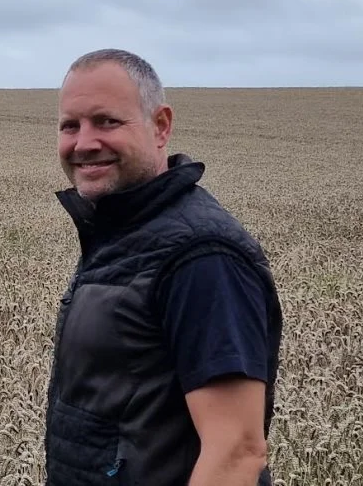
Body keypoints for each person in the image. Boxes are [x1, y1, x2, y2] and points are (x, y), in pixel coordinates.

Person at [43, 49, 283, 486]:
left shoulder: (201, 256)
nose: (84, 142)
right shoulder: (125, 234)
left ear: (161, 126)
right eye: (70, 125)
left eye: (108, 121)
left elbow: (236, 453)